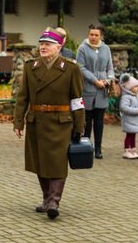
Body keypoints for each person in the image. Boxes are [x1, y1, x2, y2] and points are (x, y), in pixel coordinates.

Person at [13, 29, 85, 219]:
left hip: (61, 122)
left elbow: (77, 100)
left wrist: (80, 126)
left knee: (57, 161)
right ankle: (46, 199)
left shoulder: (70, 68)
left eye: (48, 44)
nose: (43, 47)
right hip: (36, 120)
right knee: (40, 160)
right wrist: (18, 122)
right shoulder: (31, 67)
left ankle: (54, 201)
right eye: (41, 43)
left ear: (59, 47)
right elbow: (23, 97)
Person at [76, 24, 113, 159]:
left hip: (102, 89)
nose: (93, 37)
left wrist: (108, 79)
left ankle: (98, 148)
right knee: (87, 120)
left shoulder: (106, 48)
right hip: (88, 88)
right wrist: (94, 80)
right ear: (88, 34)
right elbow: (81, 68)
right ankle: (86, 147)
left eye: (96, 35)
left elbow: (110, 67)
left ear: (100, 36)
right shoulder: (82, 48)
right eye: (91, 34)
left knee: (99, 121)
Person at [118, 74, 138, 159]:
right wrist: (137, 111)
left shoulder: (137, 96)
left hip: (135, 120)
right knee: (129, 135)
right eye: (136, 86)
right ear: (130, 87)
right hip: (129, 120)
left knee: (133, 135)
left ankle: (133, 149)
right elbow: (124, 108)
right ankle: (127, 150)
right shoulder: (126, 97)